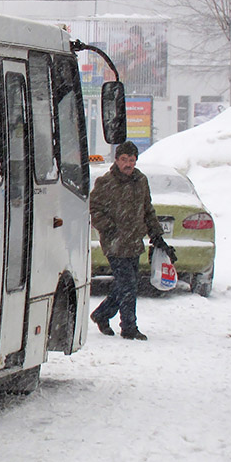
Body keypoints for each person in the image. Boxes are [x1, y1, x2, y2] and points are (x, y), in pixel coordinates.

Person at [89, 140, 177, 341]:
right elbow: (94, 210)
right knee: (127, 285)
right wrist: (110, 228)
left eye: (131, 160)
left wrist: (157, 236)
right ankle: (128, 327)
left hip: (135, 242)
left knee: (126, 285)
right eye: (124, 159)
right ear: (117, 160)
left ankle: (102, 314)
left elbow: (148, 210)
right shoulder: (106, 183)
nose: (128, 164)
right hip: (115, 243)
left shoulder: (141, 181)